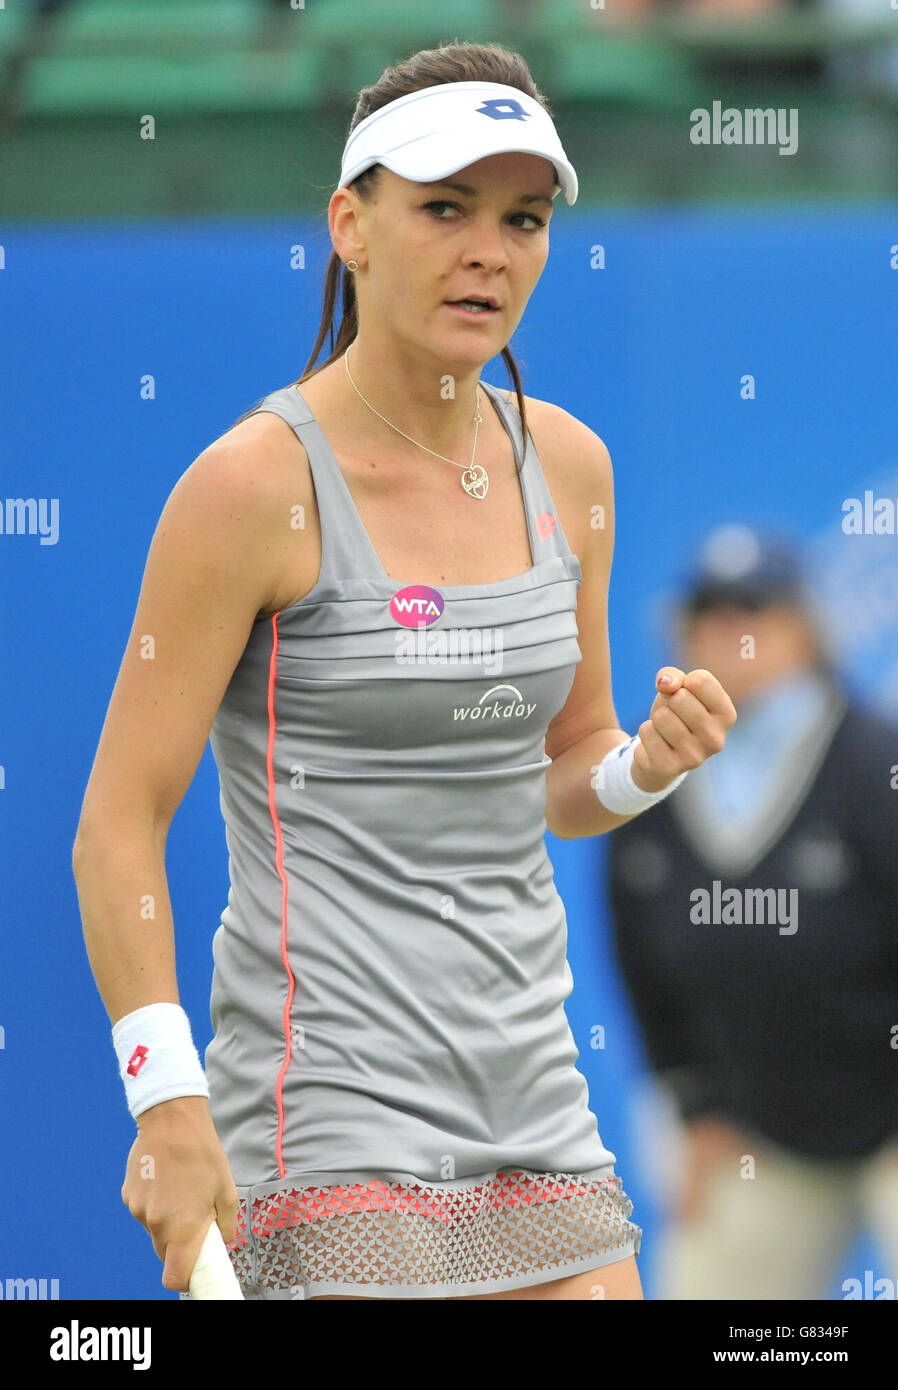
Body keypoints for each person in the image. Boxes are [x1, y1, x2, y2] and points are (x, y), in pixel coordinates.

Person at [72, 41, 736, 1302]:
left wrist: (641, 769)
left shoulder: (573, 471)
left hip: (539, 1112)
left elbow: (563, 776)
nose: (489, 249)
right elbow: (115, 825)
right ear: (351, 224)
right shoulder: (250, 488)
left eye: (522, 219)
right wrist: (165, 1103)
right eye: (444, 208)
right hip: (325, 1123)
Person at [607, 523, 898, 1299]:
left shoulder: (878, 763)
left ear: (806, 627)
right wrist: (696, 1111)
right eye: (712, 613)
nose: (733, 633)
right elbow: (641, 967)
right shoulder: (649, 779)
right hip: (758, 1134)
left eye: (755, 610)